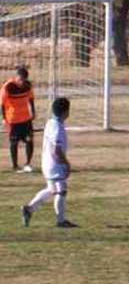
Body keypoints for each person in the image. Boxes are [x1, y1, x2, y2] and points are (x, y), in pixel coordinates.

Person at [21, 97, 76, 228]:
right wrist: (66, 163)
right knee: (61, 191)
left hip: (46, 162)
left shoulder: (50, 123)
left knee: (52, 189)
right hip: (55, 163)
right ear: (66, 112)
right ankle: (61, 221)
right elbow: (57, 150)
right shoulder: (58, 128)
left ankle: (29, 209)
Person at [1, 66, 36, 172]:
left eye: (24, 80)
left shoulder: (28, 86)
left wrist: (33, 111)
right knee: (14, 142)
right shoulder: (8, 86)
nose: (22, 82)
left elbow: (31, 98)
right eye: (20, 79)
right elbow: (2, 103)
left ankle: (28, 163)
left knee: (29, 140)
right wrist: (4, 118)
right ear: (16, 77)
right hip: (13, 120)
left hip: (26, 118)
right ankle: (15, 165)